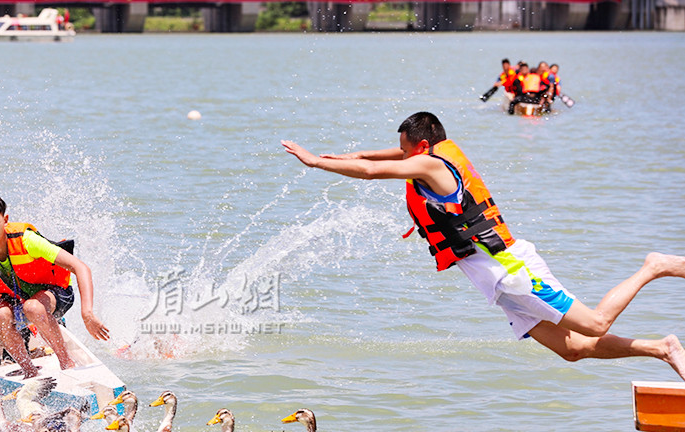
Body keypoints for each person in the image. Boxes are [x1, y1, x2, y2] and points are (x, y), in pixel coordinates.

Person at [281, 111, 685, 379]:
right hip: (495, 280)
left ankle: (655, 266)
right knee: (574, 350)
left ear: (420, 147)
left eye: (404, 149)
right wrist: (342, 154)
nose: (400, 156)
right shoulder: (435, 152)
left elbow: (371, 169)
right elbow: (376, 154)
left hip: (510, 269)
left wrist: (317, 162)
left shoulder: (430, 165)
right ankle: (664, 349)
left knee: (595, 326)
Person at [0, 193, 110, 382]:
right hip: (20, 297)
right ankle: (29, 371)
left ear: (5, 220)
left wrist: (87, 313)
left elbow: (80, 267)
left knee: (33, 307)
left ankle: (66, 363)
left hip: (57, 293)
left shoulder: (26, 240)